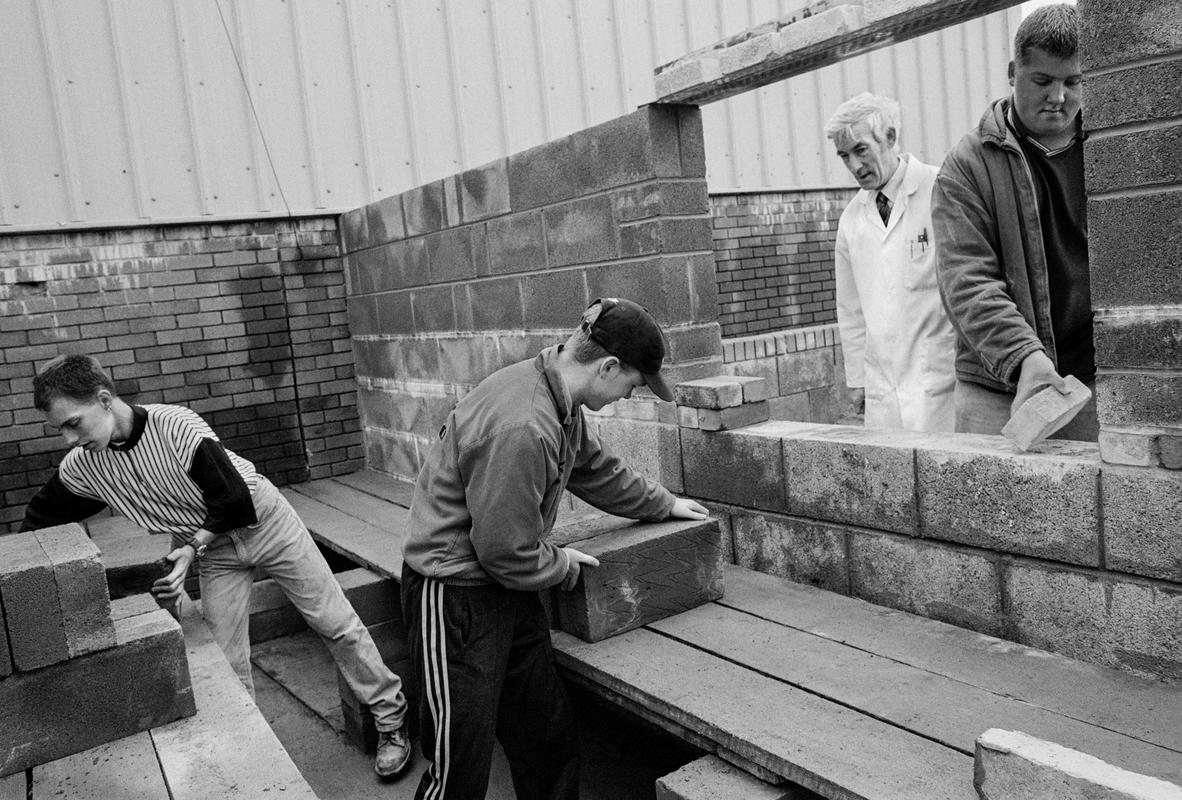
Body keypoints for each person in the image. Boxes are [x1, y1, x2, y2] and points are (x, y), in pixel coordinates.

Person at [21, 354, 413, 779]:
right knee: (225, 660)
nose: (67, 439)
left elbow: (233, 500)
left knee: (335, 622)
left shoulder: (175, 426)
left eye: (73, 423)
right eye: (59, 428)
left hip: (264, 522)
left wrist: (189, 549)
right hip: (212, 550)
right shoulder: (85, 465)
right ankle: (253, 761)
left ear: (103, 398)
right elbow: (38, 522)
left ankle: (392, 721)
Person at [400, 297, 710, 800]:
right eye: (633, 384)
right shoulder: (525, 424)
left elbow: (594, 469)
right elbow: (504, 550)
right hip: (455, 596)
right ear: (608, 366)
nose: (630, 395)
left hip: (506, 591)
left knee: (547, 739)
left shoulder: (557, 397)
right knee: (459, 768)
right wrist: (563, 564)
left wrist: (665, 504)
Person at [932, 4, 1096, 439]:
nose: (1058, 97)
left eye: (1073, 82)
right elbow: (966, 281)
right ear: (1012, 71)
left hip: (1094, 384)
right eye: (1042, 81)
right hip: (998, 387)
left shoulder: (1110, 150)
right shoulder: (967, 165)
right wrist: (1024, 356)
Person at [826, 92, 956, 431]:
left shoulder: (941, 188)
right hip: (883, 388)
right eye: (844, 156)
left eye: (861, 150)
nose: (854, 166)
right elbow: (851, 309)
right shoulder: (851, 220)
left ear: (891, 138)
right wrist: (856, 379)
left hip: (940, 381)